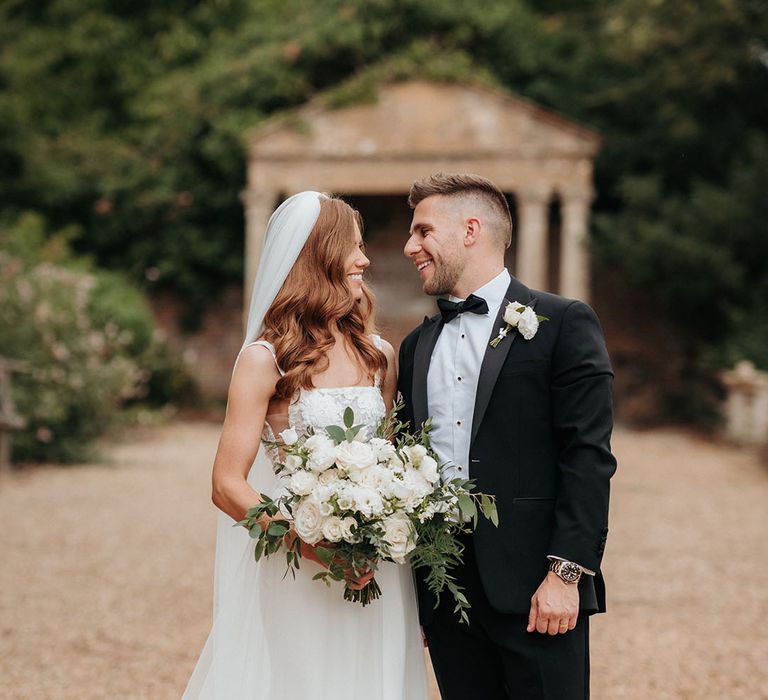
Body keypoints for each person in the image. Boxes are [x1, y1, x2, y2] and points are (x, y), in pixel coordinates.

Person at [184, 191, 428, 699]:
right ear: (319, 257)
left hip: (377, 566)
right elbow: (227, 485)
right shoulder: (265, 359)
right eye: (353, 247)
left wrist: (385, 521)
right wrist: (314, 548)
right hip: (298, 563)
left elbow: (388, 462)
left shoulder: (378, 354)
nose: (365, 259)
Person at [397, 173, 617, 700]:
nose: (410, 247)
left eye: (423, 231)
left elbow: (587, 456)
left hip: (538, 591)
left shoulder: (563, 322)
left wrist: (566, 575)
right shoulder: (413, 347)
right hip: (446, 594)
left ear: (470, 230)